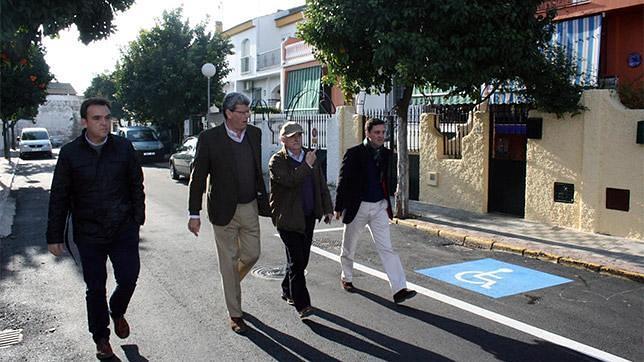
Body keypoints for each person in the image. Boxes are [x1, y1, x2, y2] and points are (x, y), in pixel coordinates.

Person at [46, 97, 145, 360]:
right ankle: (101, 338)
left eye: (107, 118)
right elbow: (59, 196)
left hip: (123, 227)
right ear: (84, 122)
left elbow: (137, 185)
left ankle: (117, 309)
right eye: (97, 118)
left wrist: (137, 219)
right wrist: (54, 236)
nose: (104, 123)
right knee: (95, 287)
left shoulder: (124, 148)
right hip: (88, 232)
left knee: (128, 277)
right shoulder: (70, 153)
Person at [187, 92, 270, 334]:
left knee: (252, 255)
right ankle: (235, 314)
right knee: (228, 261)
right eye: (242, 112)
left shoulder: (255, 134)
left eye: (248, 112)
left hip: (250, 206)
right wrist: (194, 213)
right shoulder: (209, 138)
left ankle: (231, 283)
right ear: (229, 113)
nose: (247, 116)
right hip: (223, 210)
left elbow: (256, 170)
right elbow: (198, 177)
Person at [334, 117, 417, 304]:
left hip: (379, 206)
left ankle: (399, 289)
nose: (381, 136)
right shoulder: (354, 153)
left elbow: (387, 178)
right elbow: (344, 181)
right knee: (349, 245)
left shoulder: (387, 154)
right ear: (368, 133)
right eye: (377, 132)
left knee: (387, 248)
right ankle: (346, 277)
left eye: (383, 132)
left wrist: (392, 195)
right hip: (358, 206)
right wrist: (339, 206)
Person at [269, 122, 333, 319]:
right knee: (297, 262)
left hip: (307, 216)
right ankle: (303, 304)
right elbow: (290, 181)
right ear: (283, 139)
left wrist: (327, 208)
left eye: (299, 135)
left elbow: (320, 184)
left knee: (301, 259)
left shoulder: (309, 156)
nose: (296, 139)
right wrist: (307, 165)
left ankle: (287, 288)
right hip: (287, 218)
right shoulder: (277, 161)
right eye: (291, 136)